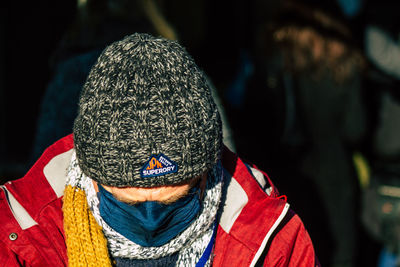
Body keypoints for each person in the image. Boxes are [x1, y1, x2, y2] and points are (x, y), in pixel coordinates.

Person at [0, 33, 318, 266]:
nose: (151, 217)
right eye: (126, 195)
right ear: (89, 170)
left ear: (206, 173)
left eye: (176, 197)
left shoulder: (275, 242)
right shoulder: (19, 237)